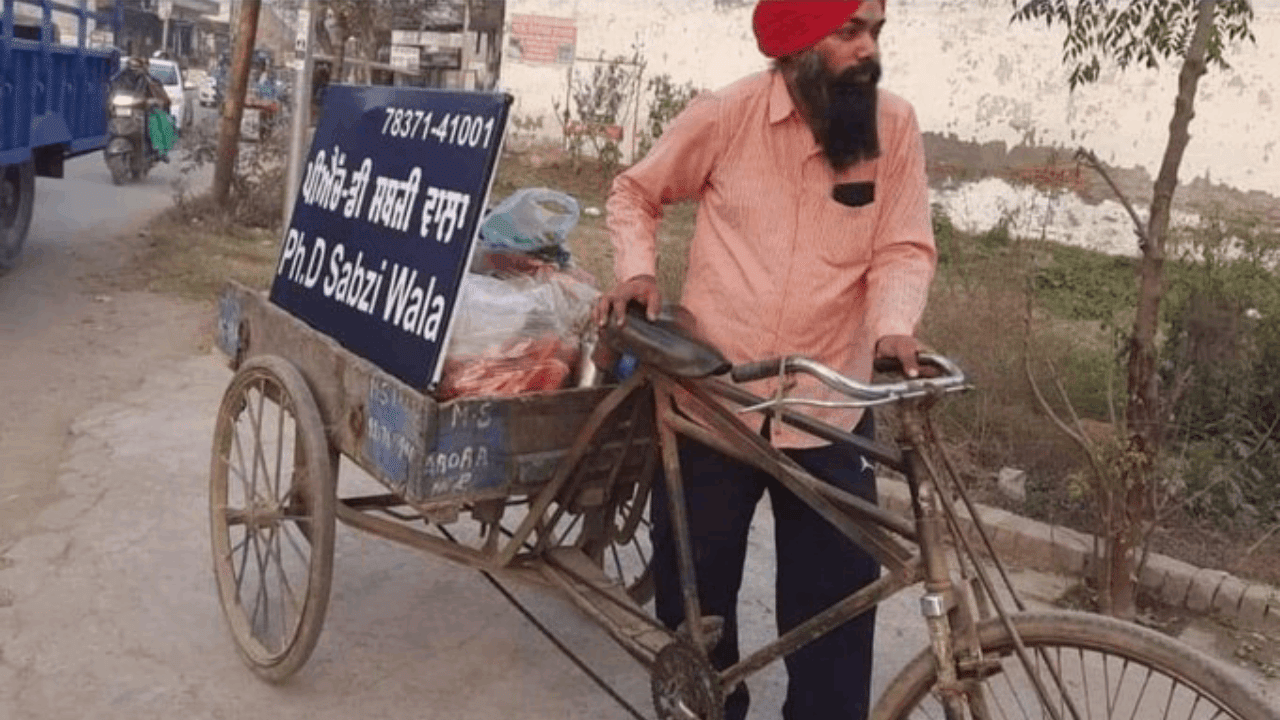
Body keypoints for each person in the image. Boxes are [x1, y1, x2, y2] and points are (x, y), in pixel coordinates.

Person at [592, 2, 936, 719]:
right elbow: (636, 191)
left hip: (828, 411)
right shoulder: (727, 114)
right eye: (850, 31)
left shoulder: (892, 126)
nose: (869, 50)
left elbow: (902, 246)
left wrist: (894, 326)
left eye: (876, 31)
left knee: (838, 614)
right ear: (799, 44)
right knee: (697, 611)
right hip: (715, 406)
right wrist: (637, 270)